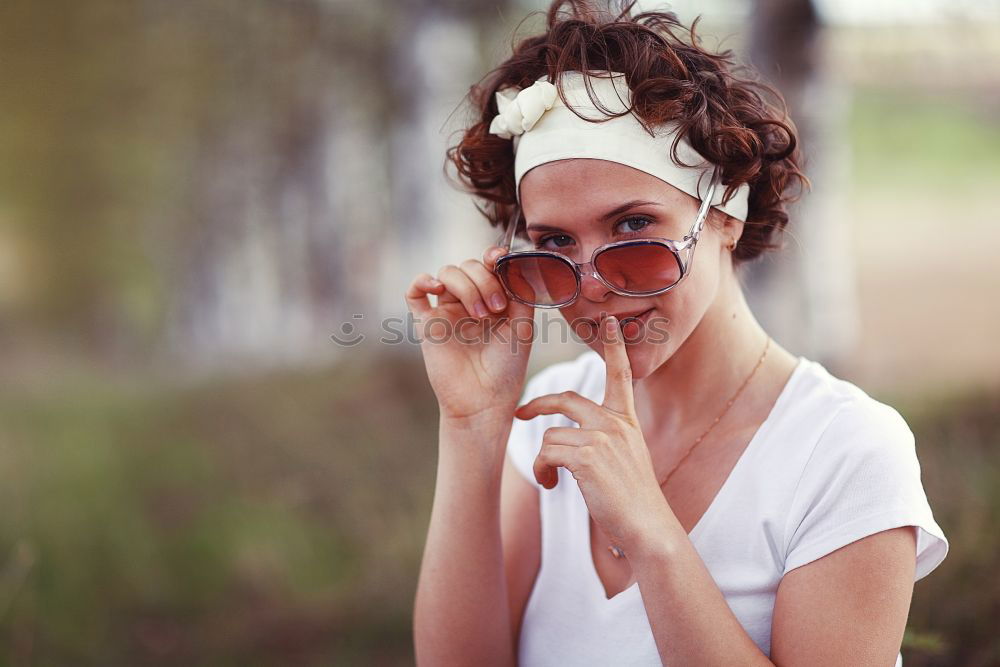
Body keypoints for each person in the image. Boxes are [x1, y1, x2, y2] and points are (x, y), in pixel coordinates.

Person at [409, 2, 948, 665]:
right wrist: (470, 428)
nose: (594, 285)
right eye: (554, 243)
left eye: (634, 226)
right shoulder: (544, 416)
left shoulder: (844, 452)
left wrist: (652, 532)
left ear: (726, 212)